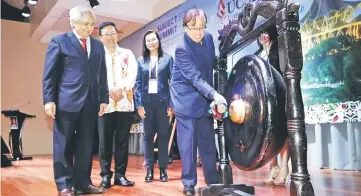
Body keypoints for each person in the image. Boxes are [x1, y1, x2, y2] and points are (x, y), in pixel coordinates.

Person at [42, 6, 107, 196]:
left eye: (91, 25)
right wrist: (49, 99)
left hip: (91, 101)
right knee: (63, 144)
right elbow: (50, 74)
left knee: (86, 145)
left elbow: (102, 75)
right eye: (85, 24)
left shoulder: (98, 45)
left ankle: (83, 183)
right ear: (73, 23)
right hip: (66, 101)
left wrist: (103, 99)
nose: (89, 28)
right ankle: (64, 185)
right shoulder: (59, 42)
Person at [170, 8, 227, 196]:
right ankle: (188, 184)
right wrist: (214, 94)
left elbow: (211, 65)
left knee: (208, 143)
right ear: (185, 27)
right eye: (194, 28)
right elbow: (194, 78)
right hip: (186, 100)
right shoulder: (181, 49)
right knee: (188, 145)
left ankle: (213, 181)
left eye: (202, 27)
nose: (199, 33)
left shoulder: (208, 38)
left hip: (204, 98)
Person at [97, 21, 137, 188]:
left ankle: (120, 175)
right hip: (104, 105)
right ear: (100, 37)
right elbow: (95, 78)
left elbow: (133, 74)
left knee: (122, 141)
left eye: (113, 33)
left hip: (124, 103)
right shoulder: (97, 55)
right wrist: (106, 93)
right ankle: (105, 175)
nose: (111, 37)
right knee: (104, 142)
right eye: (107, 34)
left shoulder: (127, 54)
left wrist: (121, 89)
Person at [135, 30, 174, 183]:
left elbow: (174, 83)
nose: (151, 42)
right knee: (148, 137)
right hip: (146, 104)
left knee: (164, 136)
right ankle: (149, 169)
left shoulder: (168, 59)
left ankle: (163, 170)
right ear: (145, 44)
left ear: (158, 40)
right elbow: (138, 85)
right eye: (148, 40)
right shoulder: (140, 61)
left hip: (163, 103)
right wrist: (138, 104)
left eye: (153, 39)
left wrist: (172, 104)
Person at [255, 28, 290, 186]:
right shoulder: (257, 54)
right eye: (260, 34)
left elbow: (278, 71)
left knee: (283, 133)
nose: (262, 36)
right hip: (264, 101)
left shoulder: (278, 49)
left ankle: (284, 167)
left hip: (281, 96)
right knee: (270, 134)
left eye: (265, 33)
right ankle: (273, 166)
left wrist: (268, 49)